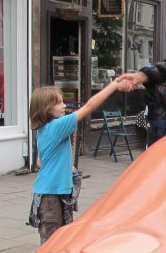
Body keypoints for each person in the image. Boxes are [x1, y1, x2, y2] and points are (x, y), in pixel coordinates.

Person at [27, 78, 128, 243]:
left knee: (57, 242)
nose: (64, 106)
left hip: (51, 193)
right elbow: (89, 107)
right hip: (51, 197)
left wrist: (65, 167)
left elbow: (40, 162)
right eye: (59, 103)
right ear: (47, 108)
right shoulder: (57, 126)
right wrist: (114, 85)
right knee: (53, 245)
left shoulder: (43, 129)